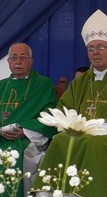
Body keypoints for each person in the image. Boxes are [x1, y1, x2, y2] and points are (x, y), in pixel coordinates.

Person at [33, 9, 107, 196]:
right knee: (59, 142)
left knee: (93, 143)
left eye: (101, 47)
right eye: (91, 48)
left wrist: (93, 129)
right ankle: (50, 193)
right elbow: (64, 110)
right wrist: (71, 127)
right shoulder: (80, 81)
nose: (95, 52)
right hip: (79, 135)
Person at [0, 43, 58, 197]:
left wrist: (24, 130)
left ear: (31, 61)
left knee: (9, 154)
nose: (18, 62)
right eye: (14, 57)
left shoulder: (43, 84)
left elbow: (49, 115)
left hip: (24, 140)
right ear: (9, 62)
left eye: (23, 57)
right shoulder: (1, 85)